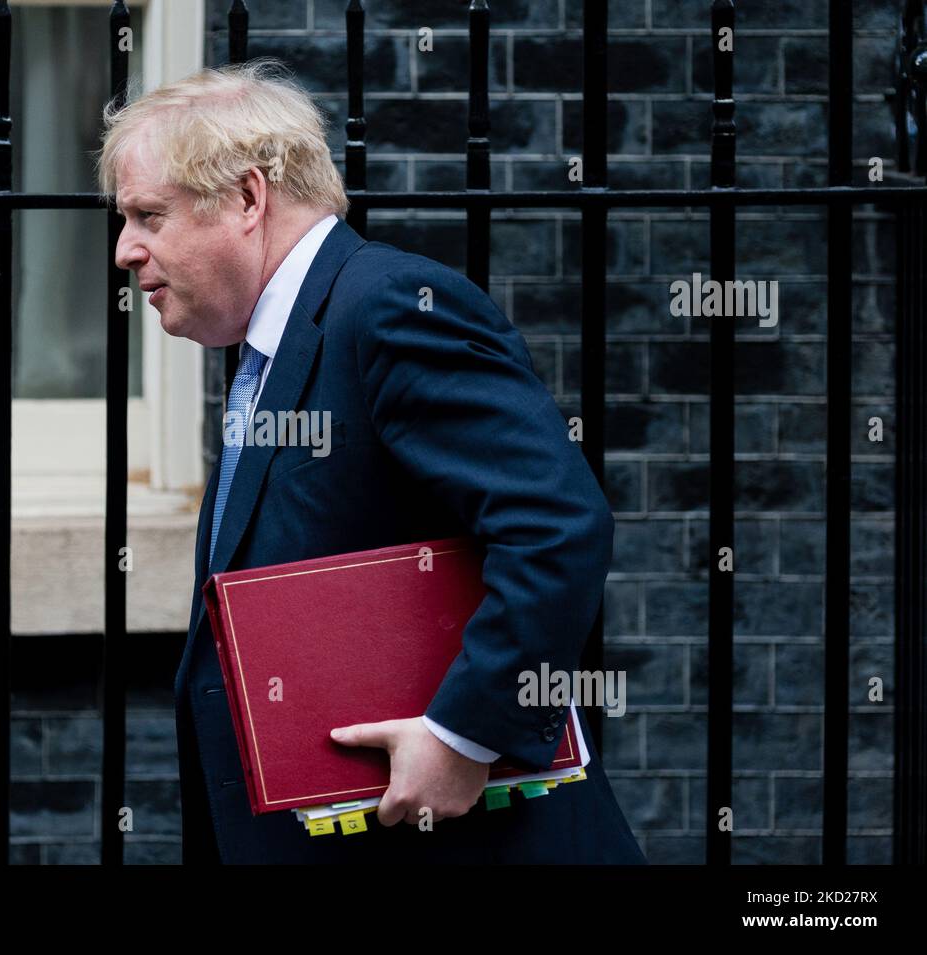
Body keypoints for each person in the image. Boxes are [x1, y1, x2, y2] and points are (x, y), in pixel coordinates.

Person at [98, 59, 646, 864]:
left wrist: (466, 733)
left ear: (248, 199)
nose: (124, 250)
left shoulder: (387, 309)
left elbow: (555, 523)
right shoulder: (279, 343)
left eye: (148, 214)